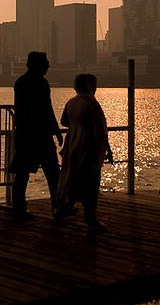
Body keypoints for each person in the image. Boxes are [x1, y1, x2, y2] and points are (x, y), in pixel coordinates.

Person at [8, 51, 65, 221]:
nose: (48, 65)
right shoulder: (41, 83)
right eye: (46, 62)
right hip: (40, 135)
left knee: (22, 173)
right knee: (53, 173)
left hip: (25, 134)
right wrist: (56, 131)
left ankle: (19, 208)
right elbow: (47, 109)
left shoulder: (21, 82)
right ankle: (57, 207)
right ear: (37, 64)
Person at [55, 73, 112, 234]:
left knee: (72, 178)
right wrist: (106, 150)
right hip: (88, 147)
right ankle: (91, 219)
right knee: (91, 183)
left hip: (72, 145)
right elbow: (101, 132)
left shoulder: (71, 102)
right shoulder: (92, 104)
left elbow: (64, 122)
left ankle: (63, 208)